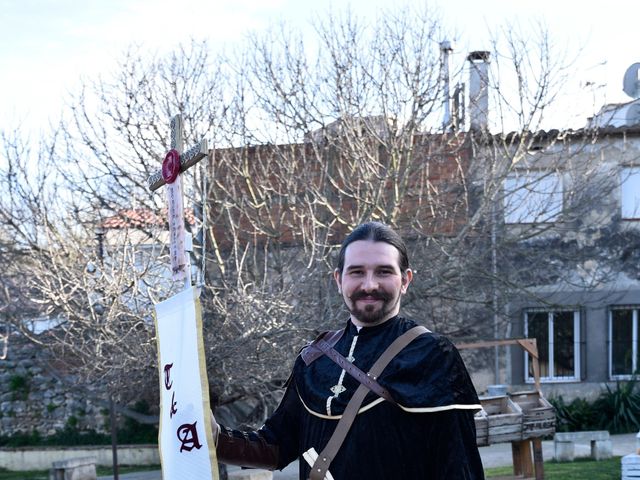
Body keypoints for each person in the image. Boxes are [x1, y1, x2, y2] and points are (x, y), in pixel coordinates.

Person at [212, 222, 485, 479]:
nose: (369, 285)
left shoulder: (433, 355)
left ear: (405, 280)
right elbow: (276, 445)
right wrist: (213, 436)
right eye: (356, 272)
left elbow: (460, 468)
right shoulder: (314, 359)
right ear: (338, 279)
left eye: (384, 271)